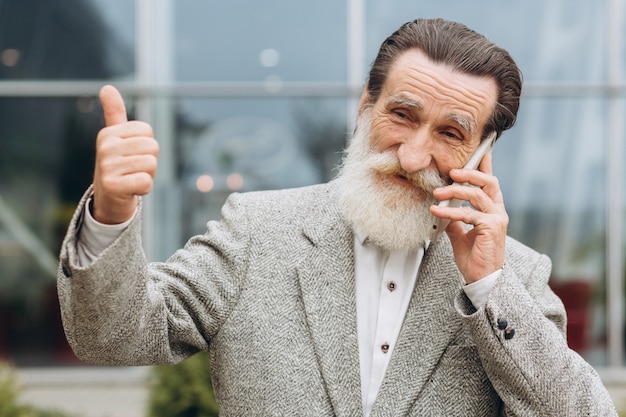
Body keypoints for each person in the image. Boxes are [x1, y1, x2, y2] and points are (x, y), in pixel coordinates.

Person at [57, 18, 617, 416]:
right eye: (402, 114)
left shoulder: (515, 276)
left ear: (481, 153)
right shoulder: (257, 229)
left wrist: (489, 285)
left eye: (450, 133)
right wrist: (111, 210)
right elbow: (113, 337)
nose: (414, 156)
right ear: (365, 107)